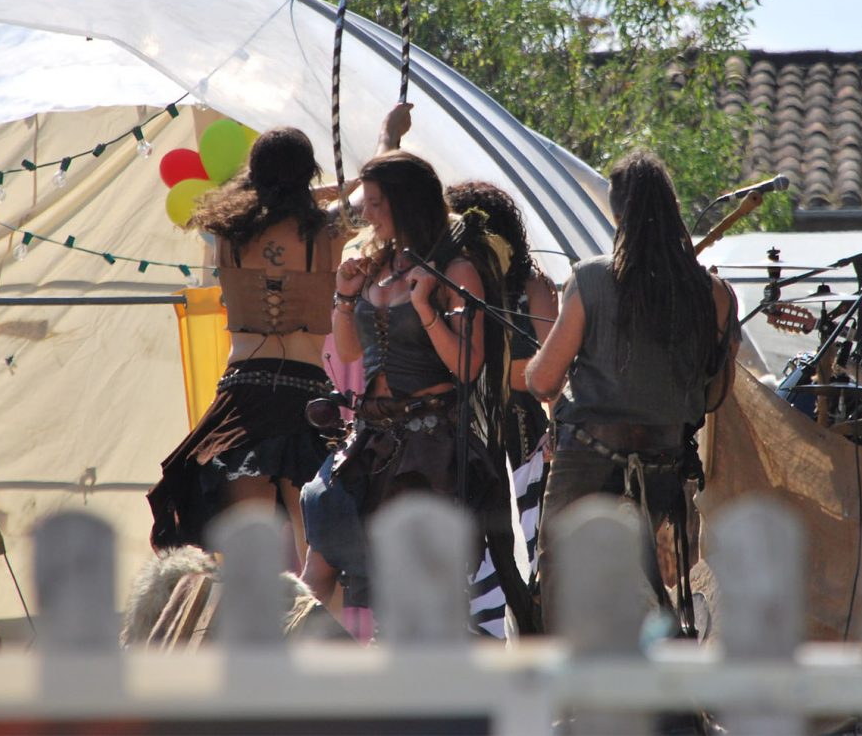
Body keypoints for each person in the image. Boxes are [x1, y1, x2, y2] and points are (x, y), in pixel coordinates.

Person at [147, 105, 410, 558]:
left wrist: (289, 190)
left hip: (242, 397)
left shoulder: (223, 231)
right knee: (318, 557)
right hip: (304, 397)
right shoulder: (326, 231)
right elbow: (372, 188)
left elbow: (253, 198)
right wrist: (388, 133)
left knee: (245, 557)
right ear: (306, 175)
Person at [524, 150, 740, 628]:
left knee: (557, 566)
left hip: (590, 460)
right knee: (645, 571)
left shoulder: (591, 278)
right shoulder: (717, 294)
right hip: (664, 464)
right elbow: (715, 394)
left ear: (617, 214)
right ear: (673, 211)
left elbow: (542, 380)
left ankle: (566, 679)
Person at [328, 151, 534, 632]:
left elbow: (469, 366)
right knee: (330, 557)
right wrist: (343, 297)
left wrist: (424, 305)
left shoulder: (456, 271)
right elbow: (349, 352)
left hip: (430, 441)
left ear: (404, 204)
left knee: (419, 583)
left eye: (376, 203)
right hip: (373, 437)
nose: (366, 214)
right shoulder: (376, 264)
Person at [445, 180, 559, 634]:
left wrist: (493, 371)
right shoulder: (451, 286)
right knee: (476, 558)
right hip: (467, 432)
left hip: (526, 433)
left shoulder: (533, 286)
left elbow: (553, 369)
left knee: (536, 552)